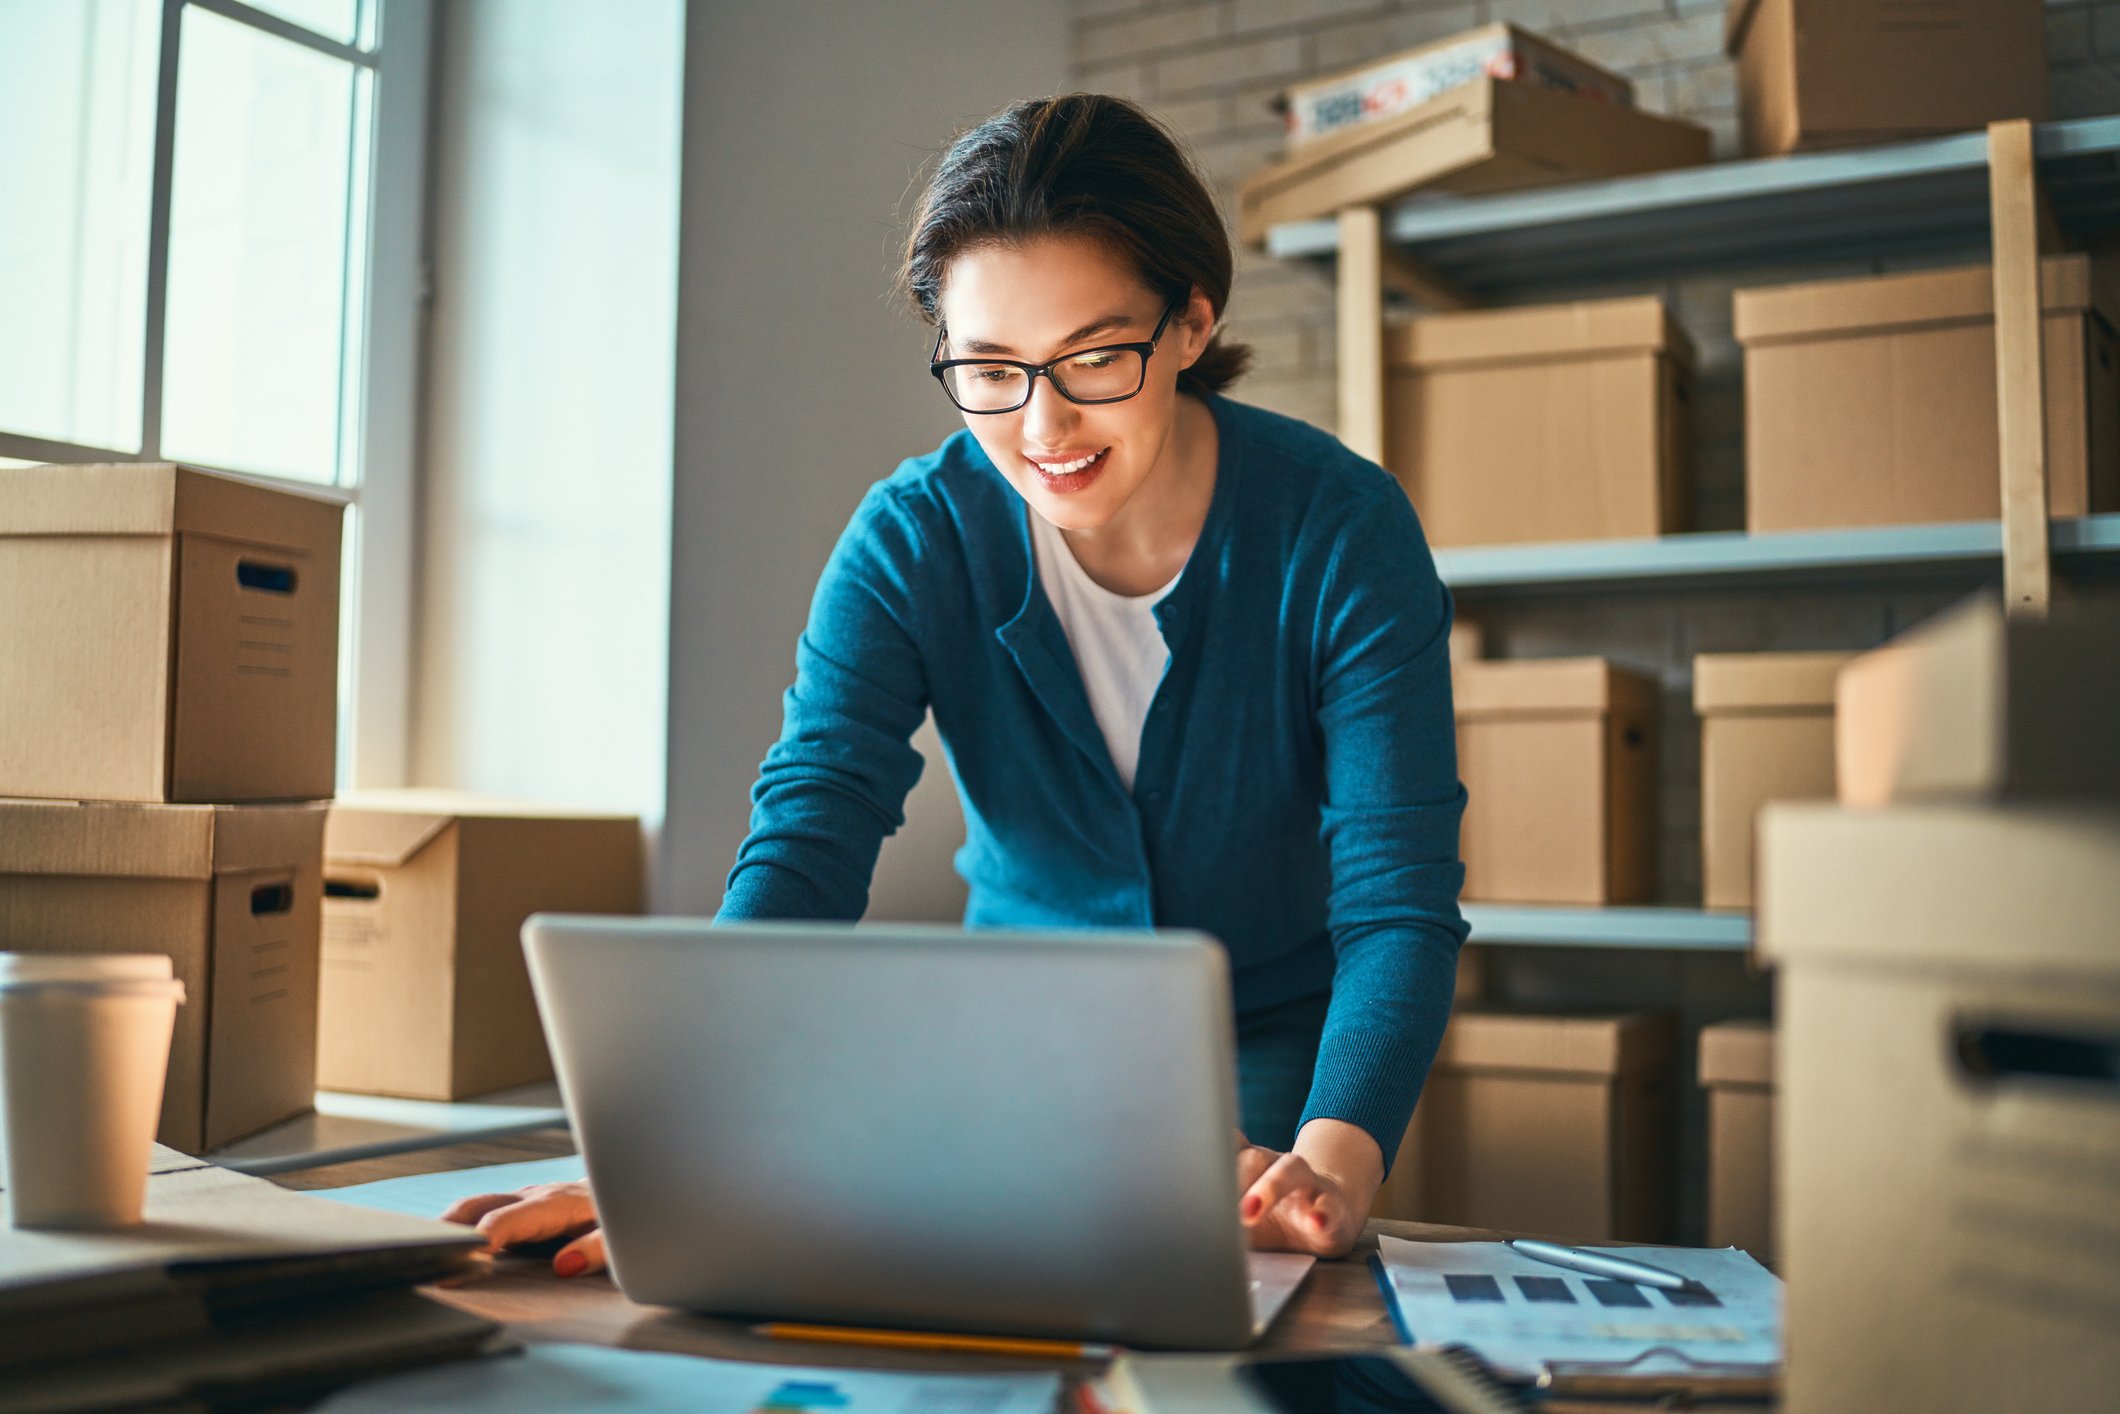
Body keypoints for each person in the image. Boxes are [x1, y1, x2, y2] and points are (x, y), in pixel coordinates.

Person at [443, 93, 1467, 1281]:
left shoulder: (1339, 531)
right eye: (988, 368)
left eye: (1093, 357)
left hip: (1277, 1050)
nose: (1043, 425)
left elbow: (1395, 899)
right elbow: (809, 832)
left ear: (1191, 321)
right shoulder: (913, 541)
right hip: (1009, 1050)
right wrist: (680, 1146)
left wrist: (1331, 1157)